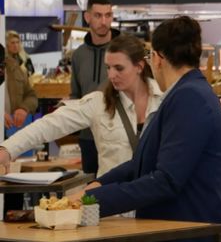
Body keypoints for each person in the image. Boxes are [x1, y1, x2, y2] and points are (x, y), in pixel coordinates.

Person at [76, 17, 221, 242]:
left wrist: (94, 201)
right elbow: (144, 161)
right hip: (178, 239)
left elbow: (166, 179)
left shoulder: (189, 97)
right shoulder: (183, 93)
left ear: (158, 58)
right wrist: (99, 185)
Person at [0, 35, 163, 176]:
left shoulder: (165, 100)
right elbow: (50, 124)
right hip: (113, 198)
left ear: (139, 67)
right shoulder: (99, 103)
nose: (111, 75)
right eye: (108, 67)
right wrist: (8, 149)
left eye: (119, 68)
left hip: (157, 198)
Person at [70, 0, 119, 174]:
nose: (104, 21)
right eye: (98, 15)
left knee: (117, 186)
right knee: (90, 187)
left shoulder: (124, 50)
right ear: (87, 17)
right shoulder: (78, 55)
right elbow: (75, 94)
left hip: (117, 136)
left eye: (108, 15)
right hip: (88, 137)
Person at [3, 44, 37, 132]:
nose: (15, 45)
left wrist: (24, 108)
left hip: (12, 129)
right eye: (12, 43)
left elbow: (31, 95)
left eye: (17, 42)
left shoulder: (16, 67)